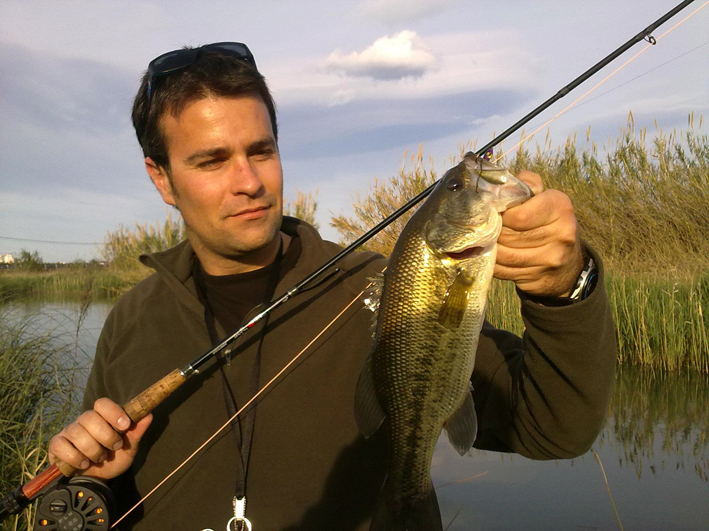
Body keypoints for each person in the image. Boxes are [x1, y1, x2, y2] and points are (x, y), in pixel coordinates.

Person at [47, 42, 616, 531]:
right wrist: (98, 487)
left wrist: (565, 286)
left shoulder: (381, 288)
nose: (249, 181)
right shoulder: (130, 320)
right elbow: (110, 499)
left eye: (261, 151)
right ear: (161, 178)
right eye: (212, 161)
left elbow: (555, 429)